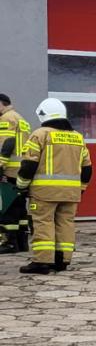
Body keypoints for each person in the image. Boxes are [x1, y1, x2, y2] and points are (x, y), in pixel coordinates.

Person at [17, 99, 92, 275]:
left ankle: (42, 261)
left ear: (43, 114)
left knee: (43, 223)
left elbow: (28, 165)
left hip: (44, 192)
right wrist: (80, 187)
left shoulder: (39, 134)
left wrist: (21, 185)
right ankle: (62, 260)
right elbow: (88, 168)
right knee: (65, 223)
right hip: (71, 193)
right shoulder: (77, 137)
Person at [0, 94, 28, 254]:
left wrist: (1, 164)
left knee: (7, 206)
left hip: (10, 169)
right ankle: (21, 243)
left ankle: (8, 243)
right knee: (19, 206)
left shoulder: (6, 118)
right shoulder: (20, 118)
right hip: (21, 169)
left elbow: (8, 142)